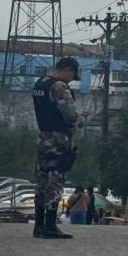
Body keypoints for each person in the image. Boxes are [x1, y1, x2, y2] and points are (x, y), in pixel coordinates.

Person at [31, 57, 85, 240]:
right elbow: (70, 117)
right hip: (58, 139)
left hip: (43, 137)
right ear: (67, 70)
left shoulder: (40, 84)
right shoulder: (59, 87)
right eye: (72, 75)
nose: (71, 79)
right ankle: (50, 225)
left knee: (41, 179)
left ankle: (38, 225)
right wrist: (81, 119)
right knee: (56, 178)